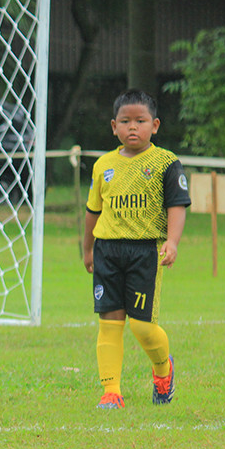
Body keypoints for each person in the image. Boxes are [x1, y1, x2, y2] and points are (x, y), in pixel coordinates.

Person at [82, 89, 190, 409]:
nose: (133, 127)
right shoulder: (103, 165)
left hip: (145, 252)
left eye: (140, 121)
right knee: (109, 322)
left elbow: (177, 205)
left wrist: (172, 242)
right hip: (107, 251)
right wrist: (87, 249)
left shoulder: (166, 163)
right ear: (113, 126)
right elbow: (93, 211)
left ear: (154, 126)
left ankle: (163, 370)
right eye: (125, 121)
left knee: (142, 327)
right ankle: (111, 392)